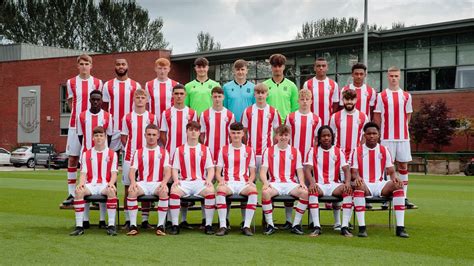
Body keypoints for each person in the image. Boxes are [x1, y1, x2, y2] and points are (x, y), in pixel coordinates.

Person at [350, 122, 409, 238]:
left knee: (398, 186)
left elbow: (391, 171)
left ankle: (400, 228)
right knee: (358, 186)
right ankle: (362, 228)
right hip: (365, 184)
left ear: (379, 135)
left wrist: (395, 179)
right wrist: (357, 178)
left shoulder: (384, 150)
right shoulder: (357, 151)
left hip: (380, 184)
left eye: (374, 133)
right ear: (364, 135)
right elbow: (354, 172)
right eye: (369, 134)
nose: (372, 136)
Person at [63, 54, 103, 206]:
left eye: (87, 63)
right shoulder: (71, 82)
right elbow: (70, 101)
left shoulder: (98, 82)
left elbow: (100, 102)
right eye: (82, 63)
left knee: (94, 158)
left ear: (91, 66)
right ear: (78, 65)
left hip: (93, 127)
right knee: (73, 158)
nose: (84, 66)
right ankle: (71, 193)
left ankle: (94, 191)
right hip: (75, 125)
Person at [373, 66, 415, 208]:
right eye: (391, 76)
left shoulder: (407, 96)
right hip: (386, 137)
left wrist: (403, 128)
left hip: (403, 138)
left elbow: (408, 115)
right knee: (387, 168)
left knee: (403, 166)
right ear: (387, 77)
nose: (394, 78)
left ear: (400, 77)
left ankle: (403, 196)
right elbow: (377, 116)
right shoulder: (381, 95)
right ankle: (385, 197)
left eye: (396, 76)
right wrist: (378, 135)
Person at [303, 126, 353, 237]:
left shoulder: (338, 151)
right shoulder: (313, 151)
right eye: (323, 136)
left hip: (334, 184)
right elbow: (308, 169)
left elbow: (346, 169)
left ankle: (344, 227)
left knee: (348, 190)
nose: (326, 138)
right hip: (319, 184)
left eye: (328, 135)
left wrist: (347, 183)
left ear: (332, 137)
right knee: (312, 191)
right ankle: (317, 226)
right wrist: (312, 183)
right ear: (319, 138)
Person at [160, 84, 198, 229]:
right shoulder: (166, 113)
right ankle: (170, 220)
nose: (179, 96)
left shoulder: (192, 113)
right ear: (173, 95)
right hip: (171, 154)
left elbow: (195, 132)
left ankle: (183, 219)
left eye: (181, 93)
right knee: (172, 185)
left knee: (185, 184)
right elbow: (163, 134)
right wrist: (171, 150)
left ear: (185, 95)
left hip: (187, 155)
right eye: (176, 93)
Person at [168, 121, 216, 235]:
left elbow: (210, 168)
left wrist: (208, 180)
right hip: (184, 182)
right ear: (187, 132)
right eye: (191, 130)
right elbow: (174, 168)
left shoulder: (205, 149)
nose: (193, 132)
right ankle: (175, 225)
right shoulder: (179, 149)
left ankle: (208, 225)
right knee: (174, 191)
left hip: (200, 182)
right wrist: (176, 180)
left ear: (199, 133)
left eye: (196, 130)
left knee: (210, 191)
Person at [260, 125, 309, 235]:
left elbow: (299, 170)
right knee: (265, 192)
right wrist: (265, 183)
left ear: (289, 137)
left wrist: (301, 182)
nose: (283, 137)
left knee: (305, 193)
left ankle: (295, 225)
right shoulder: (268, 151)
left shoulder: (295, 151)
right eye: (281, 135)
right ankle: (270, 225)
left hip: (290, 183)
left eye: (286, 135)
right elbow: (263, 171)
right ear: (276, 136)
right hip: (275, 183)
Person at [70, 126, 118, 236]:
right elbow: (83, 173)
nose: (99, 138)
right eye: (96, 136)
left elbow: (114, 173)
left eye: (101, 135)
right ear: (92, 138)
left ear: (105, 137)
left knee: (111, 191)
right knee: (79, 192)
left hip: (104, 185)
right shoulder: (86, 154)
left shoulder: (112, 154)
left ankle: (111, 226)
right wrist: (81, 184)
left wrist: (111, 183)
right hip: (91, 184)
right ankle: (79, 226)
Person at [283, 88, 321, 229]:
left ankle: (311, 220)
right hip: (292, 159)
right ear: (298, 101)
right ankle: (288, 220)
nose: (304, 102)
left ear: (311, 101)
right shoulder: (291, 117)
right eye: (302, 99)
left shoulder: (316, 119)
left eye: (307, 99)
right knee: (290, 187)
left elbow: (317, 140)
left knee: (310, 189)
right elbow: (285, 137)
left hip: (309, 160)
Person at [121, 89, 158, 229]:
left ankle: (144, 220)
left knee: (146, 186)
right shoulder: (127, 117)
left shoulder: (152, 117)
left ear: (147, 100)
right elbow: (124, 137)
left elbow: (155, 136)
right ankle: (127, 220)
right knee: (128, 188)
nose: (140, 100)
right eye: (138, 97)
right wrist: (133, 152)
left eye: (143, 97)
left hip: (147, 158)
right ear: (134, 100)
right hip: (130, 157)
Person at [126, 124, 172, 236]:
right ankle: (133, 226)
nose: (151, 137)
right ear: (145, 135)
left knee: (164, 191)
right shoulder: (139, 152)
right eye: (149, 134)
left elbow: (168, 171)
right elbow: (132, 170)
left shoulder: (163, 152)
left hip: (157, 183)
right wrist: (133, 182)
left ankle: (161, 226)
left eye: (154, 135)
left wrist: (164, 182)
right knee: (132, 191)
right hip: (143, 183)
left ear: (158, 136)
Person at [77, 90, 113, 228]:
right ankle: (84, 220)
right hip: (87, 155)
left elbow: (109, 135)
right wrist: (87, 149)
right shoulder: (81, 116)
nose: (96, 102)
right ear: (90, 100)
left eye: (98, 99)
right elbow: (81, 136)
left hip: (104, 157)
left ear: (102, 101)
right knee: (84, 185)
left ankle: (102, 220)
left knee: (105, 183)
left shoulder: (107, 116)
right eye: (93, 99)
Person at [214, 122, 258, 236]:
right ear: (230, 134)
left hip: (243, 183)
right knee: (220, 190)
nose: (236, 136)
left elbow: (253, 172)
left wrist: (250, 180)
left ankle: (246, 226)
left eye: (238, 133)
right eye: (233, 133)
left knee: (253, 192)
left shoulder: (249, 150)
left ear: (243, 134)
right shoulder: (223, 149)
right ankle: (223, 225)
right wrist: (220, 180)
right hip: (228, 182)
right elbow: (218, 172)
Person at [102, 58, 141, 153]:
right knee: (110, 156)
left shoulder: (136, 85)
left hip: (129, 127)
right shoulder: (107, 85)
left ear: (127, 66)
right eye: (118, 64)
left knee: (131, 156)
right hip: (113, 127)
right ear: (115, 67)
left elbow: (140, 106)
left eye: (123, 64)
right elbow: (105, 107)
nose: (121, 66)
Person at [241, 83, 281, 171]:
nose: (260, 95)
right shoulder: (248, 111)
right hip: (251, 151)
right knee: (250, 180)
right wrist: (247, 147)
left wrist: (272, 147)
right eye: (258, 93)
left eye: (263, 93)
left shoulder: (273, 111)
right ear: (254, 94)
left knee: (267, 180)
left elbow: (278, 133)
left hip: (267, 151)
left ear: (267, 94)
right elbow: (243, 132)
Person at [329, 89, 369, 161]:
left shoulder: (363, 117)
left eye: (352, 99)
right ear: (343, 100)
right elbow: (332, 136)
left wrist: (361, 152)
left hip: (356, 156)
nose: (349, 102)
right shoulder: (335, 116)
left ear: (356, 100)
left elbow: (364, 137)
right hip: (339, 156)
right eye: (347, 99)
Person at [200, 86, 235, 163]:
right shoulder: (204, 114)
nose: (217, 99)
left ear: (223, 97)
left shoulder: (230, 115)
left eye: (219, 96)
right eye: (215, 97)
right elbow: (202, 135)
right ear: (211, 97)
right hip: (208, 152)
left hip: (225, 152)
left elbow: (231, 135)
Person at [302, 57, 339, 125]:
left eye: (323, 66)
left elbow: (335, 103)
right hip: (311, 121)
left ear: (327, 68)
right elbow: (304, 102)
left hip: (328, 121)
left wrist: (331, 116)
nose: (321, 68)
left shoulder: (334, 84)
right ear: (314, 68)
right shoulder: (307, 84)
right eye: (318, 66)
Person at [263, 54, 299, 123]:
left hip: (286, 125)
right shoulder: (264, 85)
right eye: (275, 66)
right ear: (271, 67)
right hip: (268, 124)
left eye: (279, 66)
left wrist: (290, 122)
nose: (277, 69)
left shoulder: (292, 86)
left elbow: (295, 107)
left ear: (284, 67)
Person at [145, 58, 179, 124]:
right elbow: (146, 104)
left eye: (165, 68)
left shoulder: (175, 84)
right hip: (154, 121)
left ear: (169, 69)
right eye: (160, 68)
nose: (162, 71)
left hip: (170, 119)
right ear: (155, 69)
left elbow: (178, 103)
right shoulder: (149, 84)